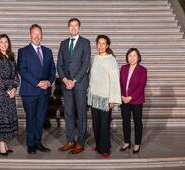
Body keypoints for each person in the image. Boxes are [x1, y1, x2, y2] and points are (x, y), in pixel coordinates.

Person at [17, 24, 56, 154]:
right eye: (34, 34)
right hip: (29, 92)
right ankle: (30, 144)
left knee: (40, 118)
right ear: (30, 35)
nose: (36, 36)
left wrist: (49, 82)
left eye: (39, 34)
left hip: (44, 92)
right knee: (30, 118)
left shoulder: (48, 51)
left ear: (42, 35)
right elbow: (22, 70)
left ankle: (38, 142)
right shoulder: (23, 51)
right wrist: (38, 83)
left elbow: (52, 70)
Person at [57, 18, 91, 154]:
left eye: (76, 25)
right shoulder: (63, 43)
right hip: (66, 85)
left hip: (80, 84)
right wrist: (65, 80)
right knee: (69, 113)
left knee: (81, 114)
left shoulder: (85, 43)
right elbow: (59, 64)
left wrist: (74, 80)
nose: (73, 28)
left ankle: (81, 143)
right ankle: (70, 141)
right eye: (71, 26)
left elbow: (85, 64)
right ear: (68, 28)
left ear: (80, 28)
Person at [87, 35, 121, 158]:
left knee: (104, 124)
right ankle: (99, 144)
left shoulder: (111, 60)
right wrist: (90, 94)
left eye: (103, 43)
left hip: (106, 98)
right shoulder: (94, 58)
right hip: (95, 97)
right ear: (96, 45)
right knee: (96, 124)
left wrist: (113, 99)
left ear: (107, 46)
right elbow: (92, 77)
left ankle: (105, 148)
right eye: (99, 43)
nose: (101, 46)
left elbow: (115, 80)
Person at [0, 34, 19, 156]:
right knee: (1, 118)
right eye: (1, 42)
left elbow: (16, 75)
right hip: (0, 93)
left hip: (10, 92)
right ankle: (1, 143)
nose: (4, 44)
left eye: (6, 42)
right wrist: (7, 89)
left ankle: (5, 142)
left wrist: (14, 88)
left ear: (9, 44)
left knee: (8, 117)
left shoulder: (11, 57)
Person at [120, 48, 147, 153]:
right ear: (127, 57)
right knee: (125, 121)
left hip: (136, 100)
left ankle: (137, 143)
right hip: (124, 100)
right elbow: (120, 84)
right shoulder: (123, 68)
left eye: (134, 55)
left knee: (137, 122)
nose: (132, 58)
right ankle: (127, 142)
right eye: (130, 55)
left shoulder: (142, 70)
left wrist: (130, 97)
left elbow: (141, 86)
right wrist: (122, 96)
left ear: (138, 57)